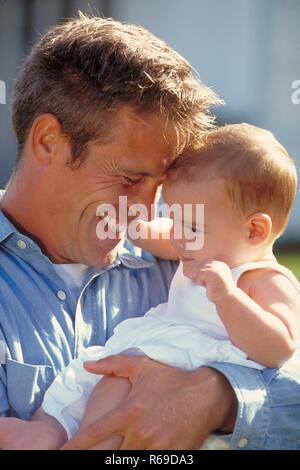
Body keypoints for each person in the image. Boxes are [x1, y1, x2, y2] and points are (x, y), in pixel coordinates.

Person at [0, 15, 299, 451]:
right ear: (48, 141)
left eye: (159, 188)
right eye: (128, 178)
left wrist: (219, 397)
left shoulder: (189, 254)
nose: (145, 209)